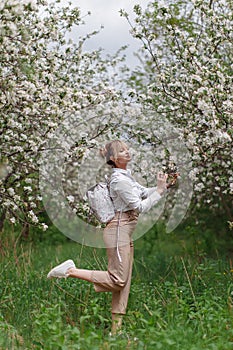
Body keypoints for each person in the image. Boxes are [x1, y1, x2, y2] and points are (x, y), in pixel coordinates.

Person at [47, 140, 172, 335]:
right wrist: (159, 192)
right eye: (122, 150)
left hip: (124, 232)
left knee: (123, 284)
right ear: (114, 158)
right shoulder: (119, 180)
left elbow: (143, 193)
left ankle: (116, 333)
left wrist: (163, 186)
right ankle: (70, 270)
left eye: (127, 149)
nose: (127, 152)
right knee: (118, 280)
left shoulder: (126, 177)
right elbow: (138, 206)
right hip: (118, 232)